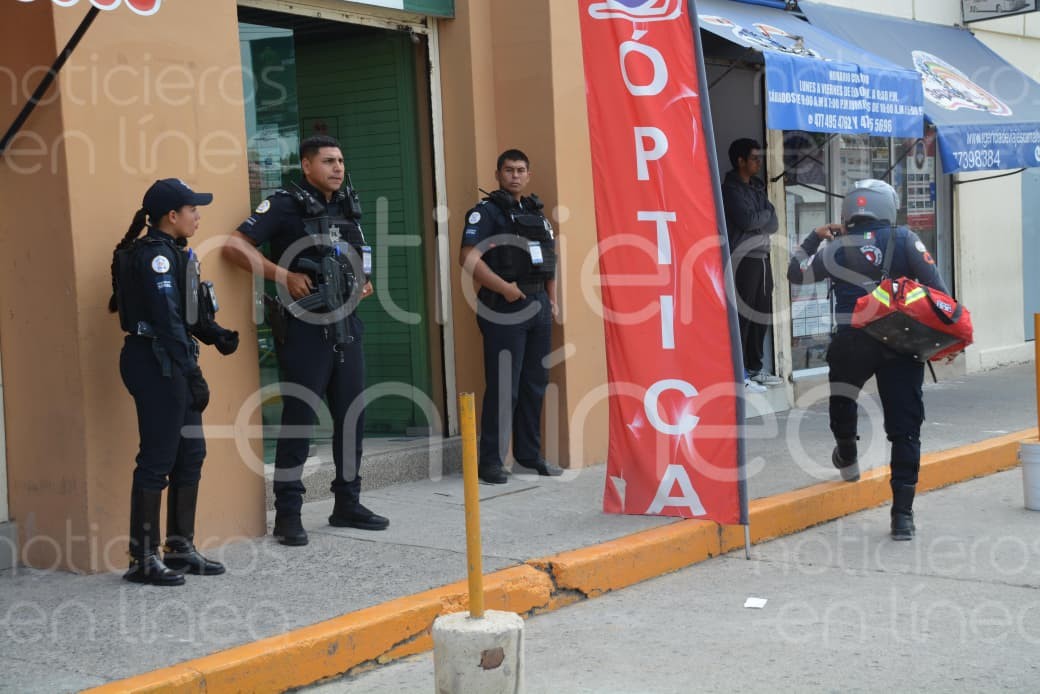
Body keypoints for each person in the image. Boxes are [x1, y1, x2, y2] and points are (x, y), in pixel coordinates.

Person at [223, 135, 385, 546]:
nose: (338, 168)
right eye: (329, 161)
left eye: (341, 160)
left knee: (352, 418)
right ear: (307, 165)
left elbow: (361, 254)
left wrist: (363, 281)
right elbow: (234, 246)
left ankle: (347, 503)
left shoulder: (347, 206)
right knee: (298, 422)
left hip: (347, 327)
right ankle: (288, 515)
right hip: (304, 330)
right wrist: (284, 276)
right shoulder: (283, 204)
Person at [787, 179, 948, 541]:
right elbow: (938, 288)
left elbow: (795, 273)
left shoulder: (837, 247)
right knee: (904, 427)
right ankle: (902, 516)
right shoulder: (905, 239)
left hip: (852, 340)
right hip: (900, 343)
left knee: (842, 399)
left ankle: (847, 454)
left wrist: (815, 235)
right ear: (888, 207)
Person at [109, 178, 239, 585]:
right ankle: (142, 557)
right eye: (193, 210)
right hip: (154, 362)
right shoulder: (155, 258)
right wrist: (193, 372)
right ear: (172, 216)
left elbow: (186, 313)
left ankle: (179, 548)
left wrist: (215, 334)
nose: (198, 216)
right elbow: (165, 321)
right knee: (157, 459)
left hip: (172, 360)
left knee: (191, 455)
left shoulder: (177, 254)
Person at [459, 149, 562, 484]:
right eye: (508, 170)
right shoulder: (486, 213)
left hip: (538, 307)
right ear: (498, 174)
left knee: (534, 385)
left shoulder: (537, 213)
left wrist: (552, 300)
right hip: (504, 307)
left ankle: (528, 456)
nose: (515, 176)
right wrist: (503, 288)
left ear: (528, 175)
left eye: (521, 170)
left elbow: (549, 260)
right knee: (505, 386)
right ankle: (490, 461)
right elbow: (467, 257)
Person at [722, 138, 782, 393]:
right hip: (743, 259)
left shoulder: (757, 187)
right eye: (755, 158)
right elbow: (747, 221)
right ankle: (740, 372)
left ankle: (756, 368)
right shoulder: (730, 189)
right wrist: (763, 216)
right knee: (743, 315)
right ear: (741, 161)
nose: (759, 162)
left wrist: (763, 216)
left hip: (763, 257)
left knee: (762, 312)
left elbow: (773, 222)